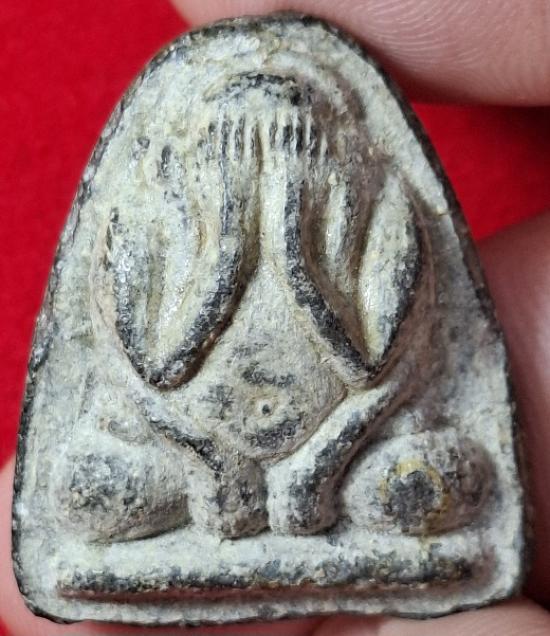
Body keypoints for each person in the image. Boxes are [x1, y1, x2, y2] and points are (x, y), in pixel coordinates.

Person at [2, 1, 550, 633]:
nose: (261, 157)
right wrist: (228, 246)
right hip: (183, 460)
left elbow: (381, 377)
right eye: (232, 137)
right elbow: (148, 378)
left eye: (290, 137)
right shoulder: (147, 214)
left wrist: (295, 245)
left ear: (335, 142)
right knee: (83, 493)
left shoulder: (382, 208)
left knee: (436, 485)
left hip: (350, 457)